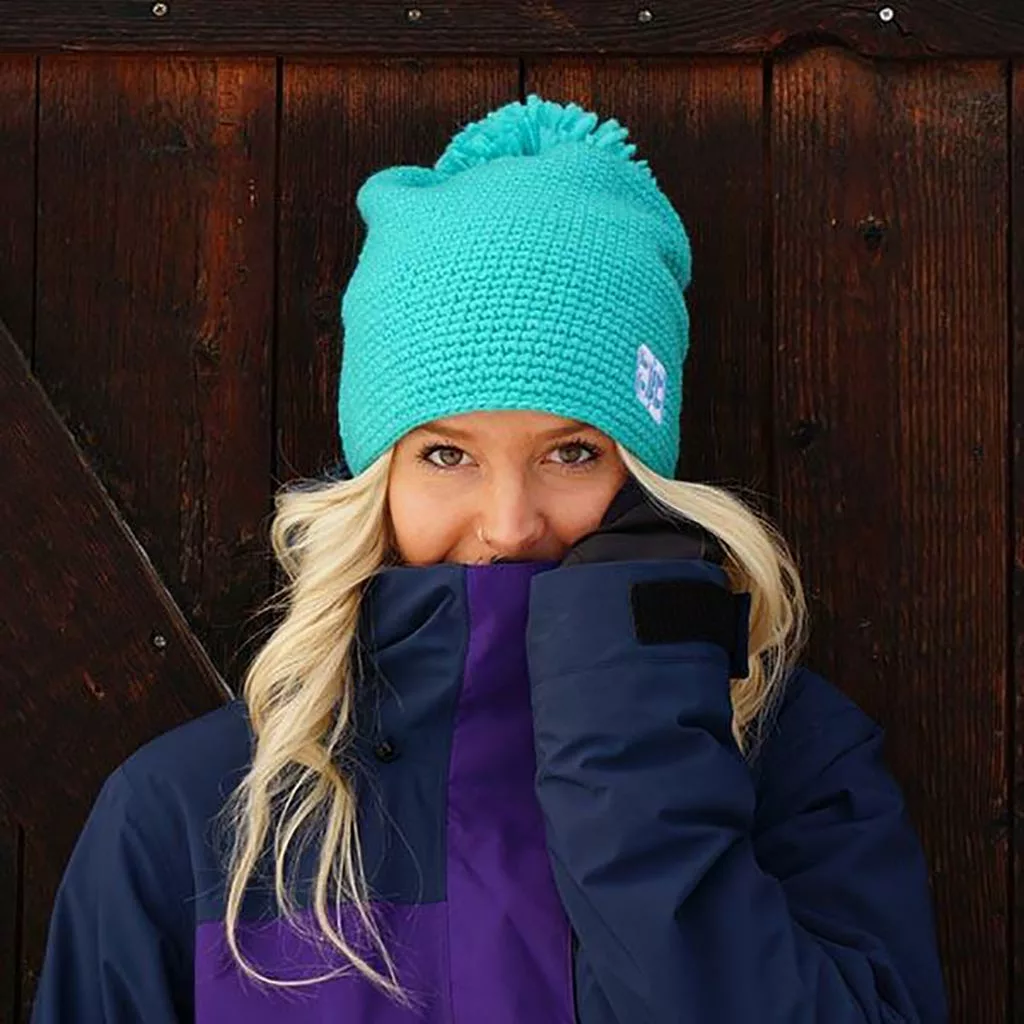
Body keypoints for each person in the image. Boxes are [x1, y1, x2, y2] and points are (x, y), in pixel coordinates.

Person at [30, 93, 949, 1023]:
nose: (510, 526)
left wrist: (640, 763)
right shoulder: (191, 812)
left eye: (572, 453)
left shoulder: (792, 763)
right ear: (377, 479)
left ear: (644, 476)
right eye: (446, 456)